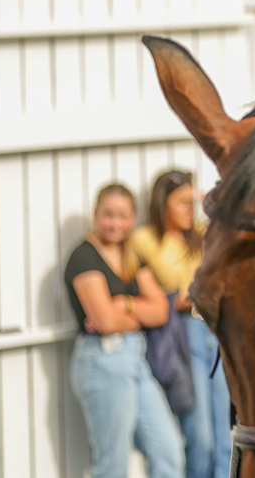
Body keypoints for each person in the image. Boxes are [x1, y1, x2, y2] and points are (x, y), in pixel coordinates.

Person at [65, 183, 184, 478]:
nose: (115, 223)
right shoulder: (84, 257)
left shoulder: (132, 254)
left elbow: (161, 311)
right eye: (108, 215)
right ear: (95, 215)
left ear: (132, 218)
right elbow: (104, 322)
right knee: (112, 465)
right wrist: (133, 312)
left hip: (135, 359)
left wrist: (125, 305)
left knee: (168, 451)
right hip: (102, 362)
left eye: (122, 216)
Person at [132, 170, 232, 478]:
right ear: (163, 205)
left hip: (213, 330)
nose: (190, 209)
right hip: (182, 334)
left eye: (193, 201)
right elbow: (167, 286)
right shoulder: (146, 238)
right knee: (199, 434)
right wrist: (188, 291)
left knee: (225, 435)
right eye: (182, 202)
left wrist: (209, 205)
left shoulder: (202, 232)